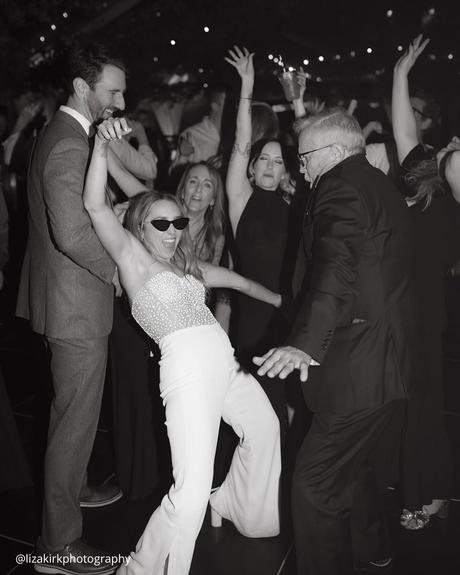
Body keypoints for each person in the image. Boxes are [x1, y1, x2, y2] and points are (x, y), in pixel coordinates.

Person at [83, 117, 281, 575]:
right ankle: (141, 568)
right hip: (188, 376)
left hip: (226, 368)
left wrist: (281, 300)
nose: (173, 230)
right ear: (139, 225)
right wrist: (99, 147)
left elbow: (237, 280)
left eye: (179, 223)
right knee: (188, 496)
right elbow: (95, 205)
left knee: (266, 429)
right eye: (163, 223)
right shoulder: (132, 259)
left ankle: (231, 502)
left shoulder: (186, 266)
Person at [254, 108, 416, 575]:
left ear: (334, 152)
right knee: (353, 463)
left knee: (313, 485)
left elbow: (336, 269)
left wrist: (304, 342)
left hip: (359, 364)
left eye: (303, 159)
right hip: (385, 356)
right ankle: (372, 546)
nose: (299, 169)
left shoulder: (339, 187)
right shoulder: (380, 184)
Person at [16, 44, 125, 574]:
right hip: (75, 305)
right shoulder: (68, 143)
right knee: (73, 422)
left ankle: (73, 486)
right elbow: (72, 232)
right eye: (114, 90)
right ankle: (56, 549)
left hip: (62, 299)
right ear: (83, 88)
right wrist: (120, 270)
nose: (121, 100)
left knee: (72, 418)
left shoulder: (65, 135)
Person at [392, 36, 460, 529]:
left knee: (424, 400)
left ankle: (429, 493)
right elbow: (400, 125)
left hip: (425, 302)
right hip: (396, 299)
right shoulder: (416, 166)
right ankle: (420, 485)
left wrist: (450, 158)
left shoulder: (452, 179)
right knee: (405, 400)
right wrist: (400, 72)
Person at [225, 46, 299, 428]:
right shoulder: (241, 200)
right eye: (263, 160)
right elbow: (240, 141)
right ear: (251, 169)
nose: (271, 166)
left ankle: (279, 481)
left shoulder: (291, 206)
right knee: (259, 407)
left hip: (287, 309)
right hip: (254, 316)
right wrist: (248, 85)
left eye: (278, 161)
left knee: (287, 402)